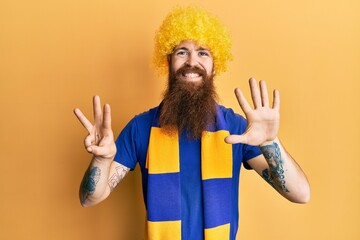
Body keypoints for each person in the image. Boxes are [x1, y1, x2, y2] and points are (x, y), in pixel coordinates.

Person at [74, 6, 310, 240]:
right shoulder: (141, 128)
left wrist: (271, 143)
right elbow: (89, 198)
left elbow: (300, 194)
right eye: (182, 52)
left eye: (203, 53)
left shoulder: (238, 130)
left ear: (215, 67)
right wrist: (102, 160)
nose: (192, 61)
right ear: (168, 62)